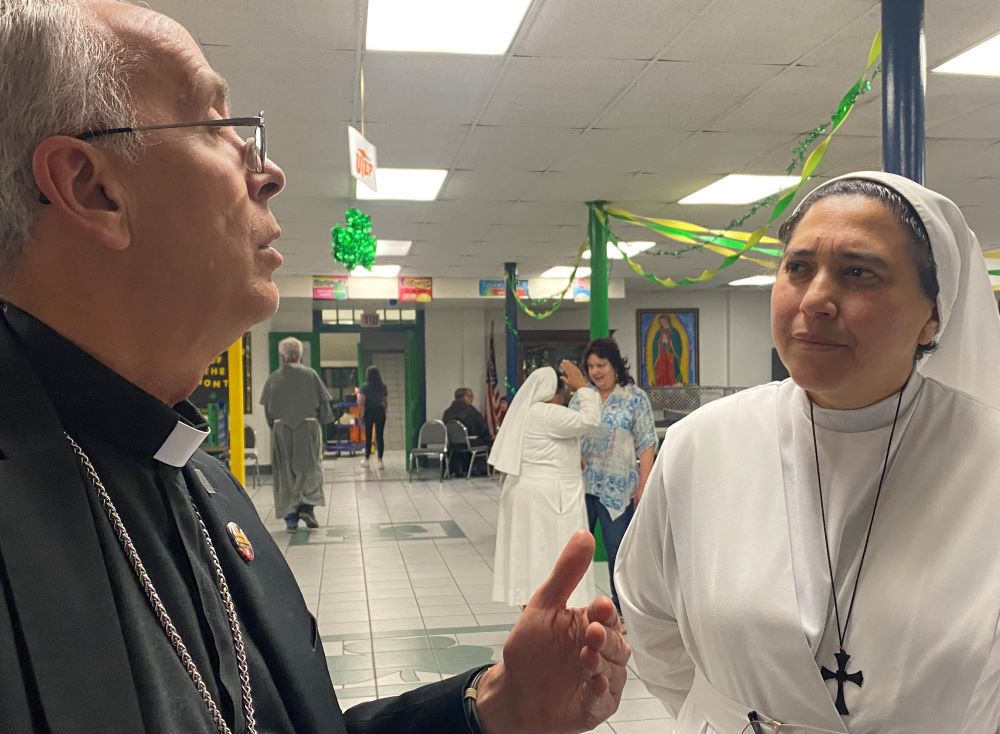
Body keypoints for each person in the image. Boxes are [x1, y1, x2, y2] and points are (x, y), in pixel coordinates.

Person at [0, 2, 630, 731]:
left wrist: (494, 705)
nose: (268, 172)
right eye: (215, 124)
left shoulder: (204, 485)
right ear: (91, 186)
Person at [616, 172, 1000, 733]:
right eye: (798, 268)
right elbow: (651, 622)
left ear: (933, 315)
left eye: (858, 272)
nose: (816, 298)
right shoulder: (703, 443)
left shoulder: (986, 459)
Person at [490, 361, 601, 608]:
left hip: (525, 493)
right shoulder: (547, 413)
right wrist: (583, 387)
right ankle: (550, 617)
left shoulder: (526, 413)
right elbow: (590, 420)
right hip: (549, 498)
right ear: (555, 394)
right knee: (550, 557)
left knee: (529, 558)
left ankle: (530, 616)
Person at [571, 338, 657, 620]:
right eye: (591, 366)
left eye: (601, 365)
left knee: (617, 551)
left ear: (615, 366)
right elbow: (569, 434)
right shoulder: (582, 398)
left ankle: (621, 610)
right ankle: (572, 607)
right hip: (581, 487)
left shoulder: (634, 398)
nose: (595, 371)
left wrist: (644, 485)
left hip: (618, 491)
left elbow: (646, 444)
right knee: (574, 550)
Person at [259, 336, 334, 531]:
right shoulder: (311, 375)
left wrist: (276, 427)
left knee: (285, 472)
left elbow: (268, 411)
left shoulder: (274, 378)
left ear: (282, 356)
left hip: (281, 429)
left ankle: (291, 516)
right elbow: (325, 408)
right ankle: (307, 508)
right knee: (310, 469)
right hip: (308, 427)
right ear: (300, 355)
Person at [443, 386, 491, 475]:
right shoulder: (471, 412)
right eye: (471, 396)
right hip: (470, 443)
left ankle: (458, 468)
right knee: (487, 440)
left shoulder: (447, 413)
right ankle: (478, 468)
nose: (472, 399)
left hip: (452, 445)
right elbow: (483, 428)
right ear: (466, 397)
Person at [357, 365, 387, 470]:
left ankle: (366, 459)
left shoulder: (365, 387)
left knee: (368, 436)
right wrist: (385, 412)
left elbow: (361, 402)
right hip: (380, 411)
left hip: (369, 412)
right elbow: (385, 401)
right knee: (380, 437)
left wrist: (359, 414)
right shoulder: (383, 386)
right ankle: (380, 461)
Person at [653, 314, 682, 386]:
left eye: (664, 322)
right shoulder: (658, 333)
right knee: (661, 373)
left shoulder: (674, 332)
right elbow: (654, 345)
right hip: (661, 357)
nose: (662, 323)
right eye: (661, 322)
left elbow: (678, 345)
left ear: (668, 321)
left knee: (670, 373)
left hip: (670, 357)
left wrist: (670, 341)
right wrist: (660, 341)